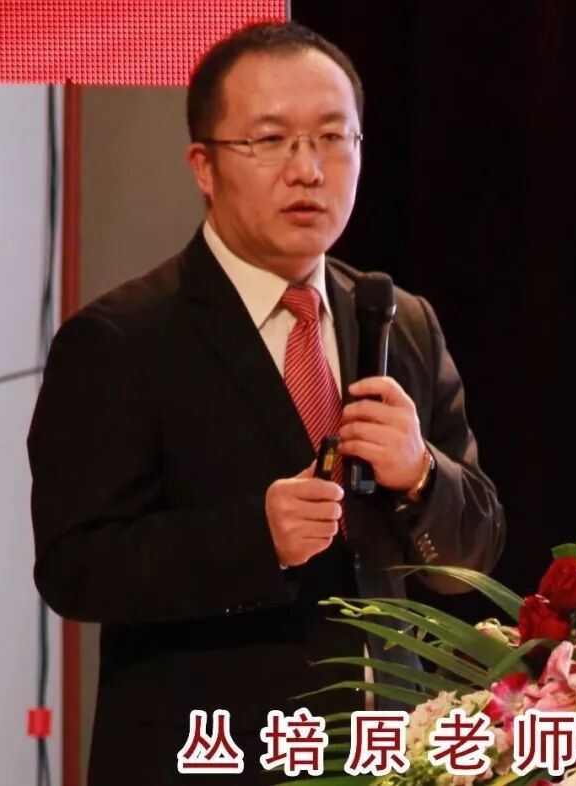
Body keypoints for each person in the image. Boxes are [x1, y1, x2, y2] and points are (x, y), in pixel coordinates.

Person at [27, 20, 505, 785]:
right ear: (204, 166)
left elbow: (471, 559)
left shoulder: (397, 319)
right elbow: (75, 567)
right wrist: (257, 538)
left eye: (332, 138)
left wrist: (421, 475)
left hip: (383, 753)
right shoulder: (122, 339)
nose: (307, 170)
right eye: (271, 141)